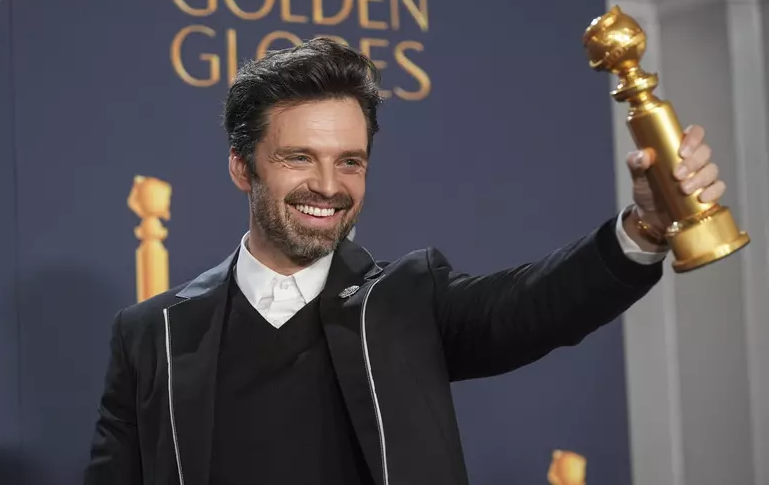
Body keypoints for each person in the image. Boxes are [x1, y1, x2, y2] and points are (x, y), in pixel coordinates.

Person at [84, 39, 727, 485]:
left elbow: (535, 304)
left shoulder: (408, 302)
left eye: (350, 161)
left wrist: (644, 227)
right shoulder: (152, 335)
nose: (329, 186)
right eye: (299, 158)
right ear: (241, 166)